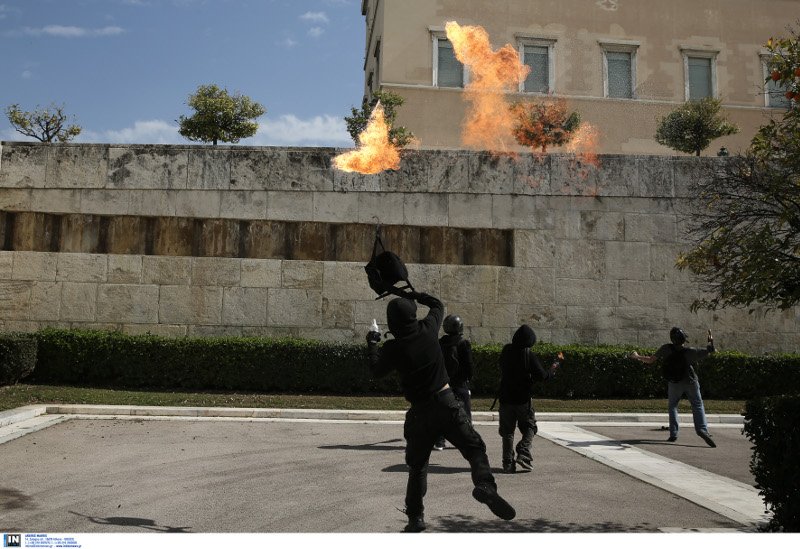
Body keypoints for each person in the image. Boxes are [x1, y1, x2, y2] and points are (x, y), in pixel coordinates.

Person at [367, 292, 515, 532]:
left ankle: (415, 518)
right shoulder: (428, 328)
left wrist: (373, 342)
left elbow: (375, 371)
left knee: (417, 468)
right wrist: (408, 292)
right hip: (447, 403)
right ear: (414, 315)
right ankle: (485, 485)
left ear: (392, 322)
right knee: (474, 448)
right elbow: (437, 304)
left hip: (419, 413)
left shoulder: (394, 348)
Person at [630, 327, 717, 448]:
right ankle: (702, 429)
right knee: (697, 404)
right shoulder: (690, 352)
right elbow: (711, 351)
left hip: (674, 382)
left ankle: (673, 433)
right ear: (683, 340)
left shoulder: (666, 348)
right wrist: (710, 341)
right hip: (691, 381)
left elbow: (650, 360)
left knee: (673, 406)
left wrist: (637, 356)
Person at [497, 325, 558, 474]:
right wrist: (552, 370)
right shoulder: (527, 354)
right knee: (530, 427)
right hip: (523, 400)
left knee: (507, 432)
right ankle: (523, 452)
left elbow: (502, 367)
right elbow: (542, 376)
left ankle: (507, 463)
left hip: (505, 398)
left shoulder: (506, 351)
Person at [433, 314, 474, 451]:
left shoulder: (439, 343)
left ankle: (439, 441)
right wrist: (468, 380)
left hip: (443, 383)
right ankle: (467, 439)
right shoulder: (463, 343)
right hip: (460, 383)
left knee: (440, 413)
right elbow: (468, 365)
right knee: (465, 412)